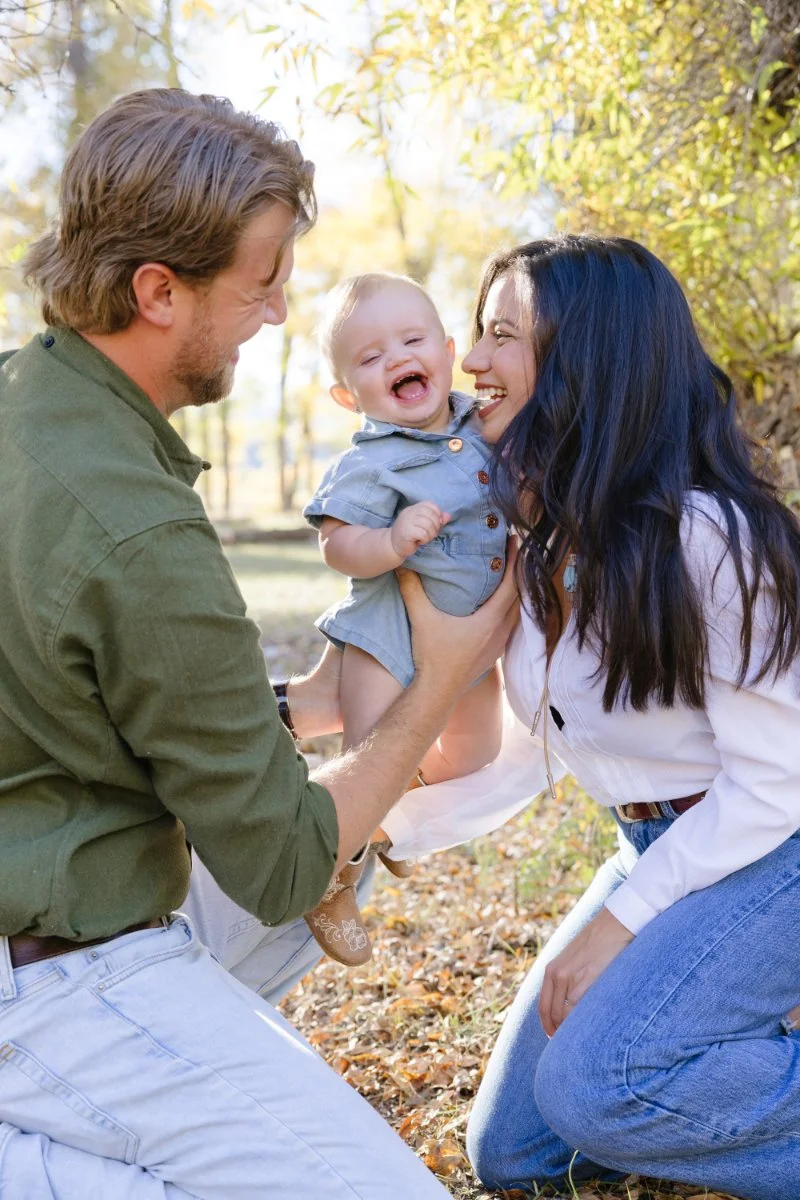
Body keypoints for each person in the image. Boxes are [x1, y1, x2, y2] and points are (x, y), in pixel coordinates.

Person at [0, 88, 518, 1200]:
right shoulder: (136, 525)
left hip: (50, 871)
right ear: (158, 292)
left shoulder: (19, 398)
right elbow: (284, 868)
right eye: (262, 280)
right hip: (53, 973)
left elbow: (78, 679)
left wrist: (297, 703)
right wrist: (440, 676)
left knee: (344, 837)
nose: (279, 311)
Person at [405, 234, 800, 1200]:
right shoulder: (554, 542)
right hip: (657, 847)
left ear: (588, 357)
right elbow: (539, 745)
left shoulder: (710, 537)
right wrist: (381, 826)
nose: (470, 359)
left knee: (600, 1087)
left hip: (776, 846)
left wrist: (620, 925)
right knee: (515, 1151)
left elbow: (779, 782)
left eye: (502, 334)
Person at [300, 272, 506, 964]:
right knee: (366, 760)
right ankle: (328, 876)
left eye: (412, 341)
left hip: (472, 640)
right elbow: (336, 543)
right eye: (370, 356)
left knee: (476, 754)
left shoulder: (485, 425)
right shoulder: (370, 463)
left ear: (447, 353)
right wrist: (388, 542)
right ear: (347, 396)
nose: (396, 357)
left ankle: (390, 812)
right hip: (387, 637)